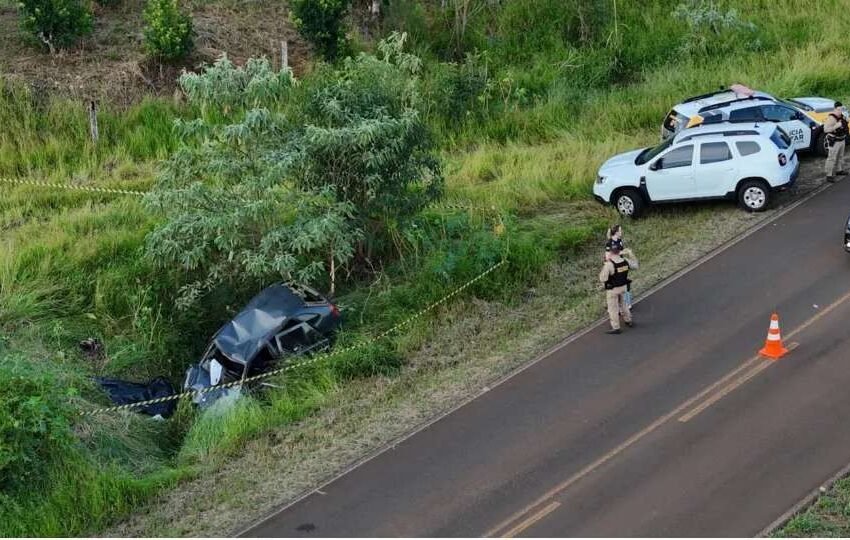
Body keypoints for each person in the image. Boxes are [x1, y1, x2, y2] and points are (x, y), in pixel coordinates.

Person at [599, 242, 634, 335]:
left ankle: (616, 327)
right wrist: (631, 254)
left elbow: (603, 278)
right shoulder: (625, 261)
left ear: (610, 252)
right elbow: (635, 265)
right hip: (624, 287)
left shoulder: (609, 264)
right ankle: (628, 320)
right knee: (625, 304)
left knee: (613, 308)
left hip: (613, 290)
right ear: (619, 251)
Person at [605, 224, 637, 311]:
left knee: (625, 282)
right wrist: (622, 253)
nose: (621, 232)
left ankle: (626, 302)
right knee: (617, 285)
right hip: (614, 266)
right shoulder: (609, 243)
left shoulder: (619, 240)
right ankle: (617, 306)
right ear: (616, 232)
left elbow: (620, 251)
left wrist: (625, 252)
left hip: (621, 264)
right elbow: (608, 256)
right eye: (620, 230)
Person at [824, 101, 849, 183]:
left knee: (840, 156)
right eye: (838, 110)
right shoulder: (831, 118)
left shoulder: (842, 116)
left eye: (841, 109)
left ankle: (839, 170)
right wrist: (836, 126)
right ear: (834, 109)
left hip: (842, 139)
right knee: (832, 158)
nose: (840, 111)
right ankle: (829, 175)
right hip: (834, 141)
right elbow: (826, 130)